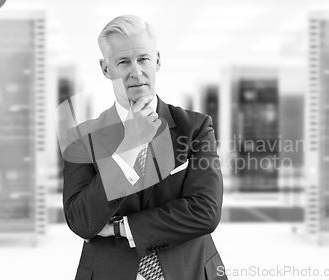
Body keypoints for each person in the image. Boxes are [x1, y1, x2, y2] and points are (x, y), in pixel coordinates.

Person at [62, 15, 226, 280]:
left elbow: (205, 212)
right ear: (106, 69)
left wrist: (121, 228)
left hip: (189, 270)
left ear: (158, 60)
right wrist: (128, 148)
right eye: (123, 62)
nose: (136, 72)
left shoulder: (194, 128)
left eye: (143, 59)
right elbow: (82, 220)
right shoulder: (80, 139)